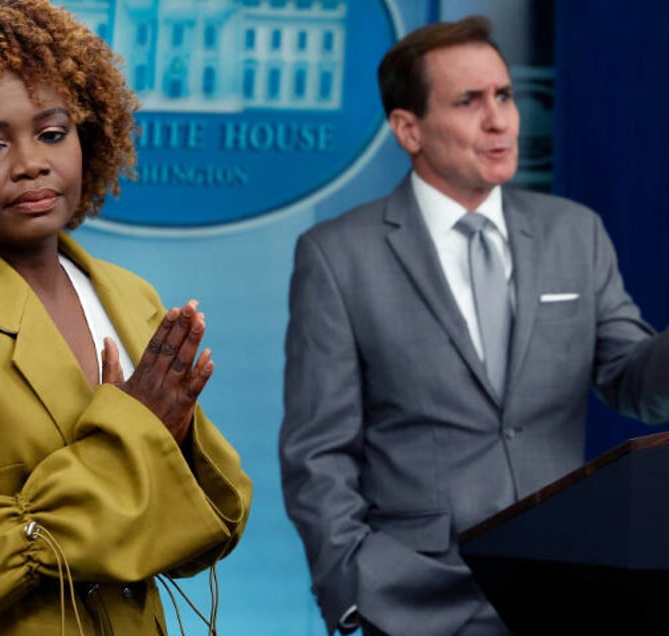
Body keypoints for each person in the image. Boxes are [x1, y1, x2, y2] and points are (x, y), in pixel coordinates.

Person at [0, 0, 252, 634]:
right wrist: (132, 443)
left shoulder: (128, 294)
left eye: (53, 133)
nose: (31, 162)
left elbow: (210, 527)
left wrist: (167, 450)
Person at [279, 14, 669, 636]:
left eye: (505, 96)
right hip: (414, 600)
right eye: (469, 101)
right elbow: (316, 450)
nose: (500, 120)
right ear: (409, 129)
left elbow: (634, 382)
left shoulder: (576, 232)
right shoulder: (336, 254)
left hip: (570, 590)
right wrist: (353, 587)